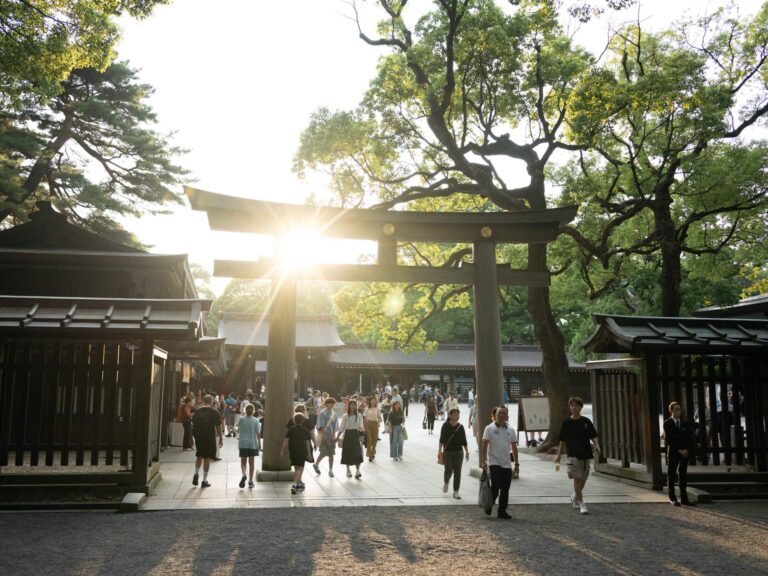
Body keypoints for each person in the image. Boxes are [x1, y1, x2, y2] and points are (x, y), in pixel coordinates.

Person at [554, 396, 601, 515]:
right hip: (572, 455)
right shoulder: (566, 422)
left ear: (580, 407)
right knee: (577, 479)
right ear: (570, 407)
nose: (574, 408)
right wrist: (559, 455)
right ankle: (582, 503)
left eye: (576, 405)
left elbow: (593, 435)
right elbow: (562, 440)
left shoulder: (586, 421)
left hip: (585, 454)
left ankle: (575, 496)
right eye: (572, 405)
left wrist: (597, 444)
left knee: (583, 480)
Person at [480, 405, 519, 519]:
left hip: (506, 463)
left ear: (507, 416)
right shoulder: (489, 428)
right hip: (494, 462)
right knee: (496, 486)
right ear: (494, 416)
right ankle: (489, 504)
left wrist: (516, 463)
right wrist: (484, 461)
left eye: (504, 413)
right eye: (499, 413)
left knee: (505, 488)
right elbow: (484, 445)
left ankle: (502, 511)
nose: (502, 415)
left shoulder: (511, 430)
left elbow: (514, 447)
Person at [663, 401, 695, 506]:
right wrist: (679, 450)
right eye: (675, 409)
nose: (678, 411)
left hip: (684, 452)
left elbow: (690, 438)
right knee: (671, 475)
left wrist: (687, 450)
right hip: (673, 452)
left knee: (683, 476)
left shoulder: (685, 423)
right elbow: (669, 440)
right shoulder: (667, 423)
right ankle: (673, 498)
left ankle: (684, 498)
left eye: (679, 409)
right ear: (671, 411)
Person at [191, 394, 223, 488]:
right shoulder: (214, 412)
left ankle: (196, 473)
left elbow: (192, 425)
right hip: (209, 437)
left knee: (199, 455)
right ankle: (204, 480)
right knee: (207, 458)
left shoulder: (197, 411)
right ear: (212, 402)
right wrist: (221, 438)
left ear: (203, 401)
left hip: (199, 437)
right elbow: (218, 426)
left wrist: (191, 437)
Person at [439, 407, 469, 498]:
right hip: (448, 452)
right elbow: (442, 440)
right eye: (455, 414)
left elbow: (464, 441)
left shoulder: (461, 427)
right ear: (450, 415)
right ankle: (446, 481)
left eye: (458, 414)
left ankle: (456, 491)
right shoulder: (445, 426)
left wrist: (467, 451)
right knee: (448, 470)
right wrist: (439, 451)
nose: (457, 416)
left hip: (459, 452)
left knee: (458, 472)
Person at [282, 412, 313, 494]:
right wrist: (309, 454)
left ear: (294, 421)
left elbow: (286, 440)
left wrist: (282, 451)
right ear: (303, 421)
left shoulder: (290, 430)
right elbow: (307, 443)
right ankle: (295, 485)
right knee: (299, 469)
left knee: (296, 468)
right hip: (302, 451)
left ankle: (298, 483)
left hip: (293, 451)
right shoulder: (305, 430)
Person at [339, 399, 365, 479]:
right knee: (347, 452)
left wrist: (362, 434)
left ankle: (358, 471)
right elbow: (342, 428)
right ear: (349, 406)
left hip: (356, 434)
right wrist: (337, 437)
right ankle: (348, 470)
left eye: (354, 405)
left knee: (357, 452)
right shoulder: (345, 416)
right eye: (352, 405)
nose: (353, 406)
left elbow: (361, 426)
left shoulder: (359, 415)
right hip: (348, 435)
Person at [313, 397, 339, 477]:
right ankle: (316, 464)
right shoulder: (322, 413)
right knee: (323, 453)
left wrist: (334, 437)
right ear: (326, 404)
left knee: (331, 454)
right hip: (325, 435)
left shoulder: (334, 414)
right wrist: (324, 437)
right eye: (329, 403)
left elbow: (335, 427)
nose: (330, 405)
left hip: (331, 436)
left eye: (332, 403)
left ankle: (330, 470)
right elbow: (320, 426)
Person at [237, 403, 261, 489]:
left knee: (243, 462)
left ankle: (244, 475)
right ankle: (250, 481)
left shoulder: (241, 419)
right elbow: (258, 433)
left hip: (243, 443)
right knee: (251, 462)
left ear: (245, 411)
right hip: (252, 443)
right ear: (253, 411)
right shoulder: (256, 420)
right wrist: (259, 444)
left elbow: (238, 429)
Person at [363, 395, 382, 462]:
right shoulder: (366, 408)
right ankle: (370, 455)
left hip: (375, 424)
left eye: (374, 400)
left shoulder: (377, 409)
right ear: (370, 401)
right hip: (368, 424)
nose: (373, 401)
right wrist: (364, 426)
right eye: (372, 400)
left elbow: (379, 417)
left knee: (375, 440)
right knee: (369, 440)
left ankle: (373, 452)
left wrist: (379, 422)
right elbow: (365, 417)